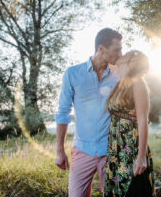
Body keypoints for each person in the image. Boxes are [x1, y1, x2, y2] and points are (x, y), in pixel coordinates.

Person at [55, 28, 122, 197]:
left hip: (111, 151)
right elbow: (63, 112)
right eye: (116, 50)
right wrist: (59, 150)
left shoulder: (120, 75)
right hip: (82, 150)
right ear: (101, 49)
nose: (120, 54)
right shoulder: (73, 74)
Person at [104, 50, 156, 197]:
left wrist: (141, 157)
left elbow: (142, 120)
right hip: (116, 146)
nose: (123, 53)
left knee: (132, 189)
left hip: (130, 146)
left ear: (133, 62)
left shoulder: (138, 82)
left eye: (130, 53)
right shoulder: (121, 81)